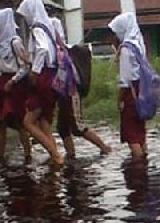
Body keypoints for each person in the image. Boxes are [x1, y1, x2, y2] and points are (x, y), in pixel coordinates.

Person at [50, 17, 112, 158]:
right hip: (64, 95)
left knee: (77, 126)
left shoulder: (62, 52)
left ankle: (104, 147)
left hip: (71, 94)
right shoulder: (60, 50)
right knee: (62, 127)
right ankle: (70, 155)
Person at [16, 0, 64, 166]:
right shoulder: (47, 27)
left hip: (42, 78)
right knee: (44, 122)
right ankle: (57, 159)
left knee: (27, 122)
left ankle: (55, 154)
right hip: (51, 76)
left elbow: (42, 50)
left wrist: (34, 71)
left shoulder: (37, 27)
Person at [0, 8, 32, 163]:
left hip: (14, 84)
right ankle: (1, 156)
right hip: (3, 83)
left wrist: (12, 81)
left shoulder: (15, 42)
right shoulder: (0, 44)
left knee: (19, 121)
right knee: (1, 121)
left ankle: (27, 155)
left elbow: (25, 67)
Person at [107, 12, 148, 159]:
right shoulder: (139, 44)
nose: (114, 36)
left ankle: (137, 167)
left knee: (131, 135)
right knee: (140, 131)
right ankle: (145, 162)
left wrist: (119, 101)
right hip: (142, 91)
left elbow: (124, 81)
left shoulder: (126, 49)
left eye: (115, 32)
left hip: (131, 94)